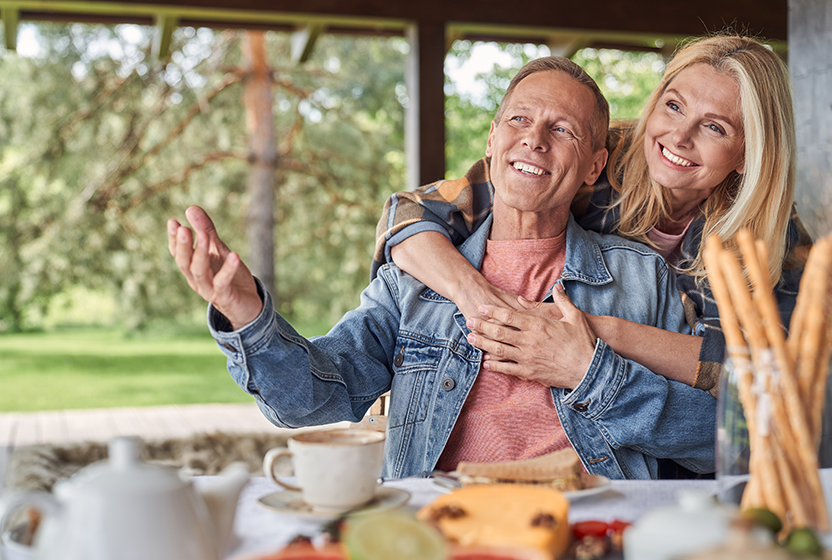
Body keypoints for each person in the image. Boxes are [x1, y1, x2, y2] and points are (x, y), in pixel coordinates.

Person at [168, 57, 716, 480]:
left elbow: (712, 440)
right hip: (440, 531)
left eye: (563, 130)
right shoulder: (414, 283)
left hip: (587, 531)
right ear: (492, 140)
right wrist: (246, 315)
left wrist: (588, 373)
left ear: (594, 165)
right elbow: (314, 396)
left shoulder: (642, 281)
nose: (534, 138)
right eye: (519, 120)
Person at [372, 35, 811, 397]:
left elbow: (761, 374)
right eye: (673, 106)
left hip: (681, 439)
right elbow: (409, 213)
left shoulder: (774, 232)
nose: (678, 136)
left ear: (748, 153)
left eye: (715, 127)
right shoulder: (589, 158)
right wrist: (480, 301)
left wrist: (596, 332)